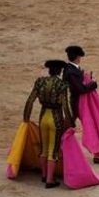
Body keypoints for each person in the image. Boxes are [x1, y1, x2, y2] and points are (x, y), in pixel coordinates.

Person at [23, 60, 74, 188]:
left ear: (49, 70)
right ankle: (50, 180)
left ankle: (44, 175)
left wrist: (26, 119)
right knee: (53, 150)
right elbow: (66, 107)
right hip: (55, 119)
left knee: (43, 148)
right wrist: (70, 124)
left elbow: (30, 100)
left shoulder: (40, 82)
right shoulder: (62, 85)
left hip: (43, 117)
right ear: (60, 71)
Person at [62, 45, 99, 164]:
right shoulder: (71, 71)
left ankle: (97, 154)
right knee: (86, 126)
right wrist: (93, 84)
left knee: (81, 126)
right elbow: (81, 89)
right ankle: (60, 152)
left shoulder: (71, 69)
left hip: (78, 101)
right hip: (79, 103)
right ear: (78, 57)